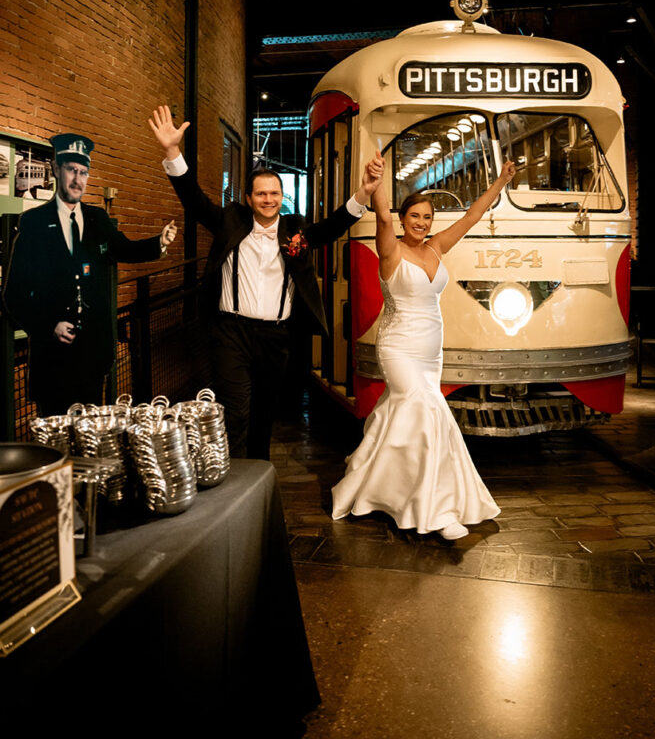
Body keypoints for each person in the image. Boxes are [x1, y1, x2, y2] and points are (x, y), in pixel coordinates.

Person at [149, 105, 383, 460]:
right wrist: (172, 151)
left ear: (281, 197)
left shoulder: (296, 230)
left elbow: (334, 227)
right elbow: (195, 202)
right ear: (248, 199)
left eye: (274, 194)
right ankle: (234, 484)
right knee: (236, 410)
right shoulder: (231, 221)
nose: (268, 199)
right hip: (231, 333)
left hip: (276, 336)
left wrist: (364, 192)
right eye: (261, 194)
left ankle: (258, 476)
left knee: (264, 413)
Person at [332, 152, 516, 540]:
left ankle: (379, 485)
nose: (421, 223)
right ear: (403, 219)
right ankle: (437, 509)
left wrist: (500, 182)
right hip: (398, 348)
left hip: (431, 350)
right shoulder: (391, 250)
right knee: (428, 411)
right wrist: (377, 180)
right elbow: (381, 217)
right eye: (414, 216)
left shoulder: (435, 248)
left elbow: (471, 217)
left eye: (427, 217)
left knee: (409, 417)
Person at [3, 133, 177, 416]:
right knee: (57, 440)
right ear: (57, 170)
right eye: (71, 170)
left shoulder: (97, 219)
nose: (77, 179)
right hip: (53, 362)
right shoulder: (35, 222)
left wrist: (160, 241)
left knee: (91, 440)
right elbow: (14, 295)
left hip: (92, 359)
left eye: (83, 172)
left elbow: (125, 249)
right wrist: (49, 325)